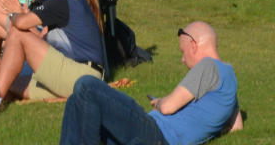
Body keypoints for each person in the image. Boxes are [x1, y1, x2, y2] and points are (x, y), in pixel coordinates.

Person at [60, 22, 240, 145]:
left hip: (155, 134)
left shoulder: (208, 65)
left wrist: (160, 101)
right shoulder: (229, 80)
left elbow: (168, 107)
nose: (183, 60)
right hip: (151, 137)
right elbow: (236, 127)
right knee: (76, 101)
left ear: (193, 45)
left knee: (86, 86)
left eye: (183, 52)